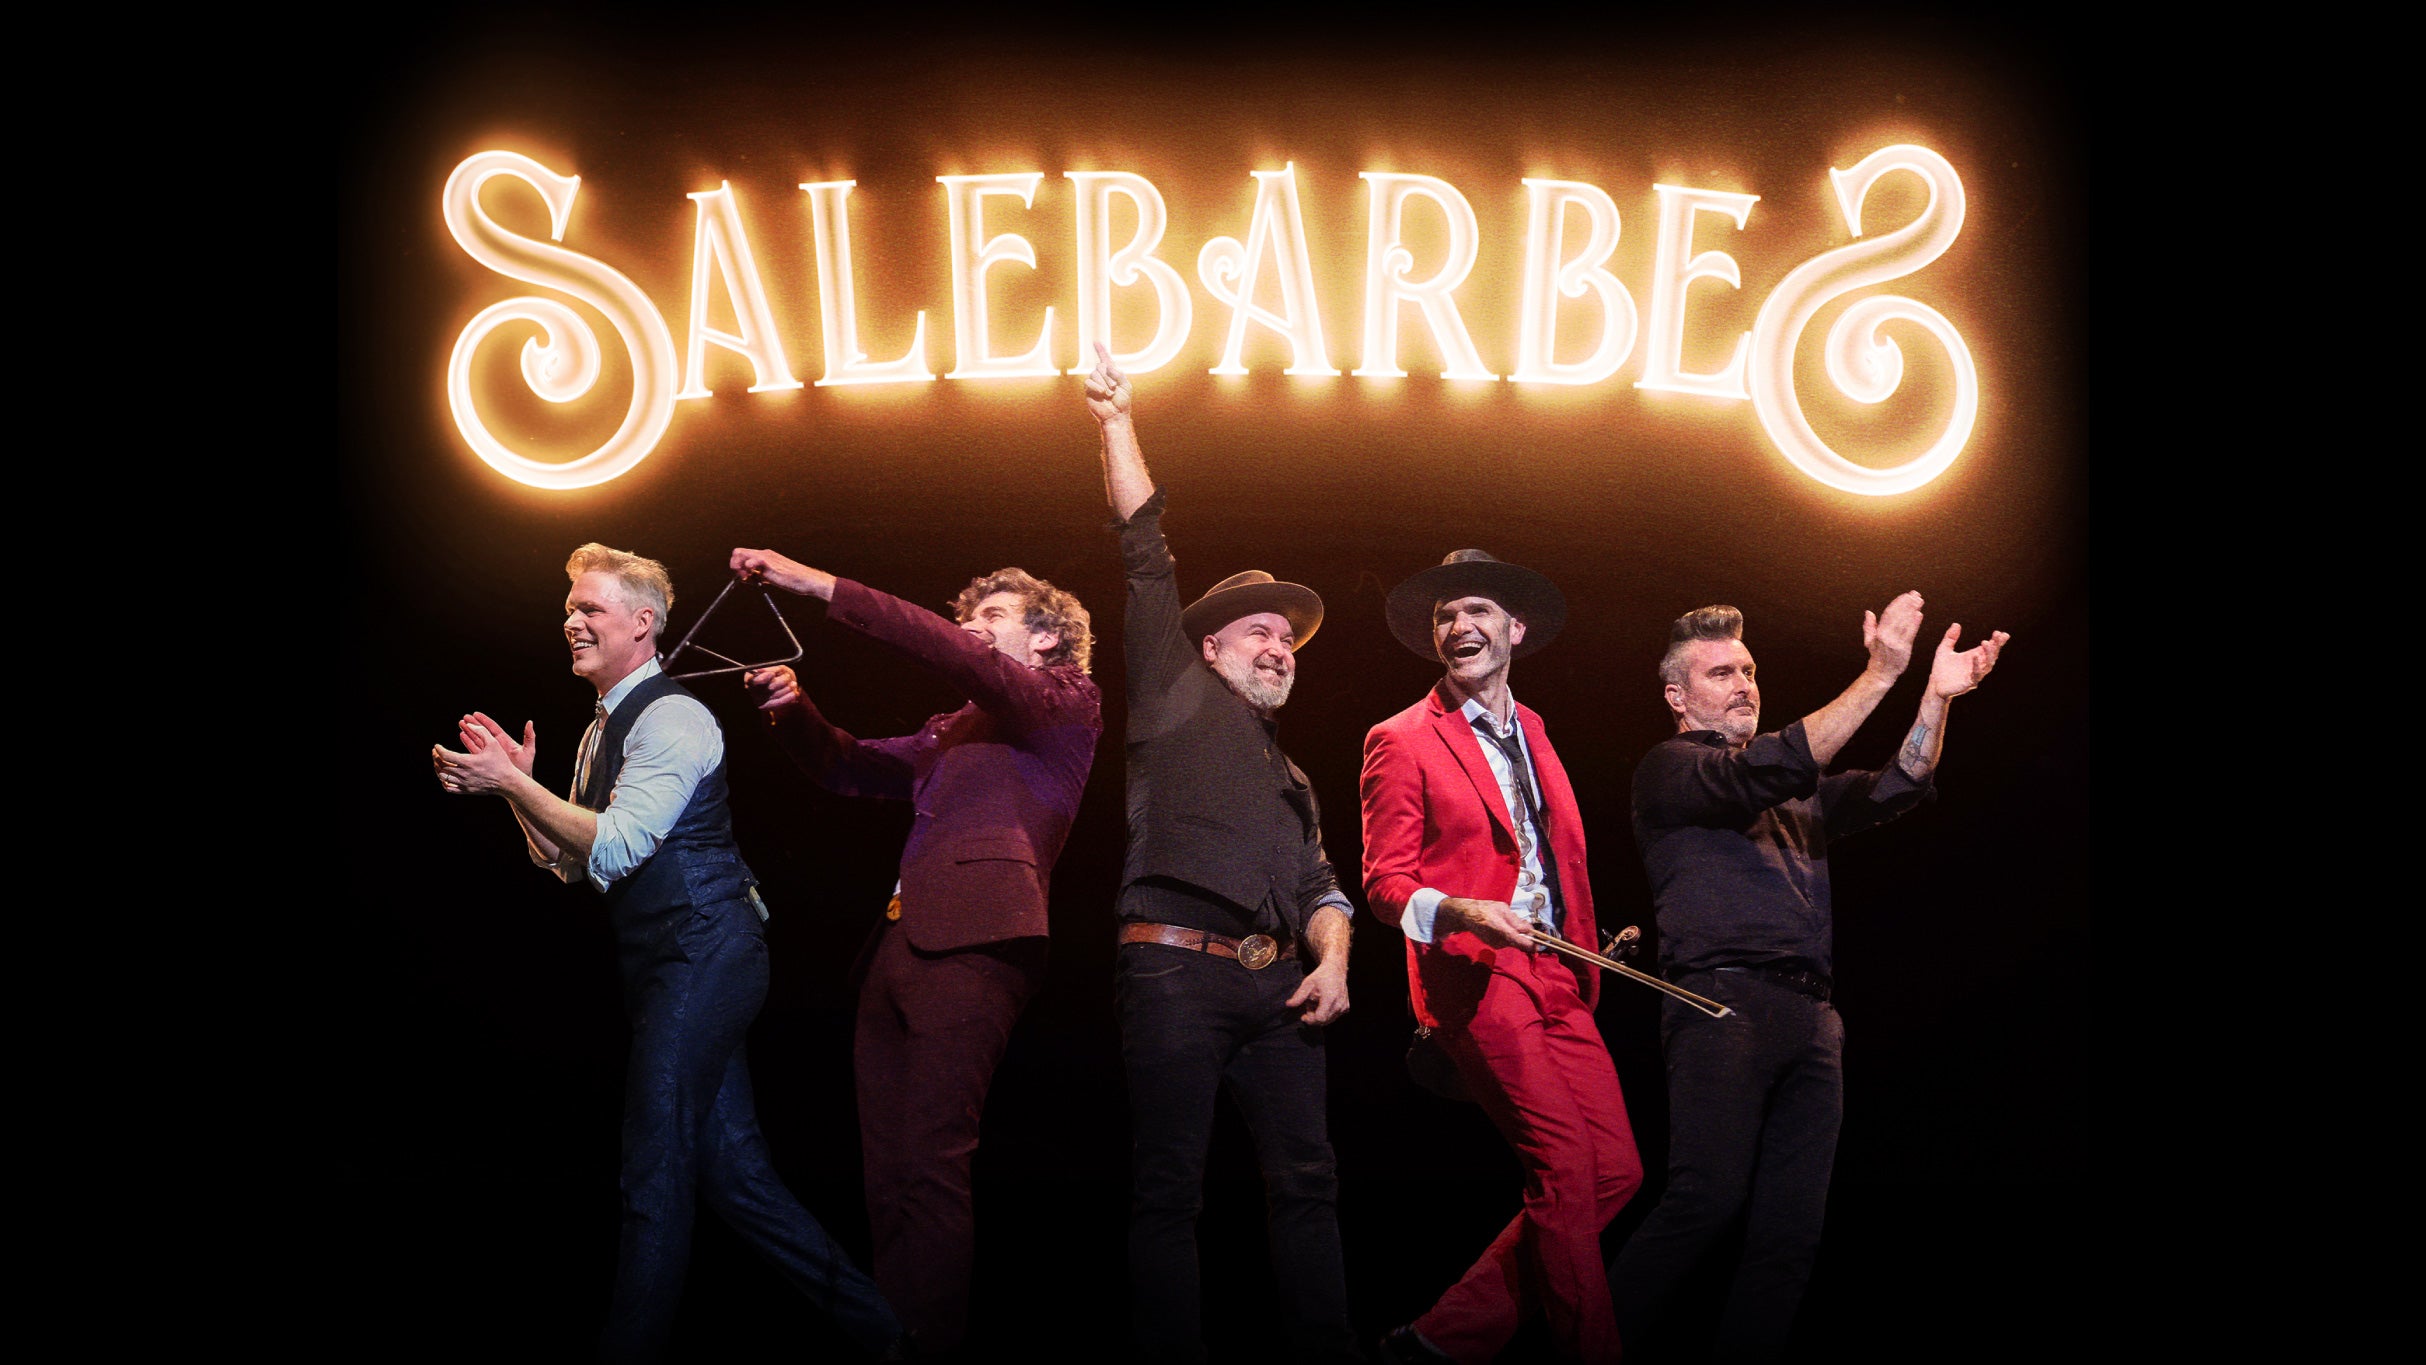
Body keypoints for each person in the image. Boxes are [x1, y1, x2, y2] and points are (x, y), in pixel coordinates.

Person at [429, 543, 902, 1364]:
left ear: (642, 622)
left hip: (707, 949)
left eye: (590, 608)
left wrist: (511, 785)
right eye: (570, 609)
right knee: (737, 1180)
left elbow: (618, 846)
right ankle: (889, 1335)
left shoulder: (674, 717)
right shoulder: (600, 728)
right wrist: (520, 788)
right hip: (669, 963)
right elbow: (569, 861)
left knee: (653, 1165)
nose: (572, 621)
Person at [1605, 597, 2008, 1361]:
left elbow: (1900, 781)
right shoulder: (1670, 769)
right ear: (1678, 696)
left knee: (1791, 1235)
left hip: (1813, 1018)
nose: (1744, 684)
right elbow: (1772, 764)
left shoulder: (1795, 788)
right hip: (1721, 1005)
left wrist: (1935, 695)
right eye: (1721, 673)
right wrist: (1880, 673)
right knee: (1704, 1200)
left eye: (1749, 669)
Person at [728, 549, 1102, 1358]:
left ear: (1046, 639)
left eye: (992, 617)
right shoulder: (948, 729)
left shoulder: (1064, 701)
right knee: (887, 1173)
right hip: (898, 944)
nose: (971, 629)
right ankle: (891, 1335)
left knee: (931, 1164)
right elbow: (849, 766)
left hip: (979, 936)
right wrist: (794, 708)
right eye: (969, 617)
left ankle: (929, 1345)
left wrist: (816, 584)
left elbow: (947, 650)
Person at [1080, 342, 1359, 1365]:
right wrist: (1117, 421)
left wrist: (1333, 962)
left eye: (1286, 638)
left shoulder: (1294, 777)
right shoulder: (1172, 689)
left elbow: (1322, 885)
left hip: (1279, 986)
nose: (1277, 645)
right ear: (1208, 646)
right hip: (1174, 970)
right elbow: (1144, 552)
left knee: (1309, 1181)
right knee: (1169, 1187)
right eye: (1256, 632)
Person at [1360, 551, 1643, 1365]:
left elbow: (1555, 855)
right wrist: (1462, 909)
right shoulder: (1400, 738)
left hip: (1559, 970)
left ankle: (1438, 1340)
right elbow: (1384, 885)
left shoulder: (1536, 729)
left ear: (1515, 629)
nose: (1460, 626)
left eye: (1477, 610)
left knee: (1614, 1171)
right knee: (1565, 1168)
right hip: (1479, 974)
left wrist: (1582, 945)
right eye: (1446, 615)